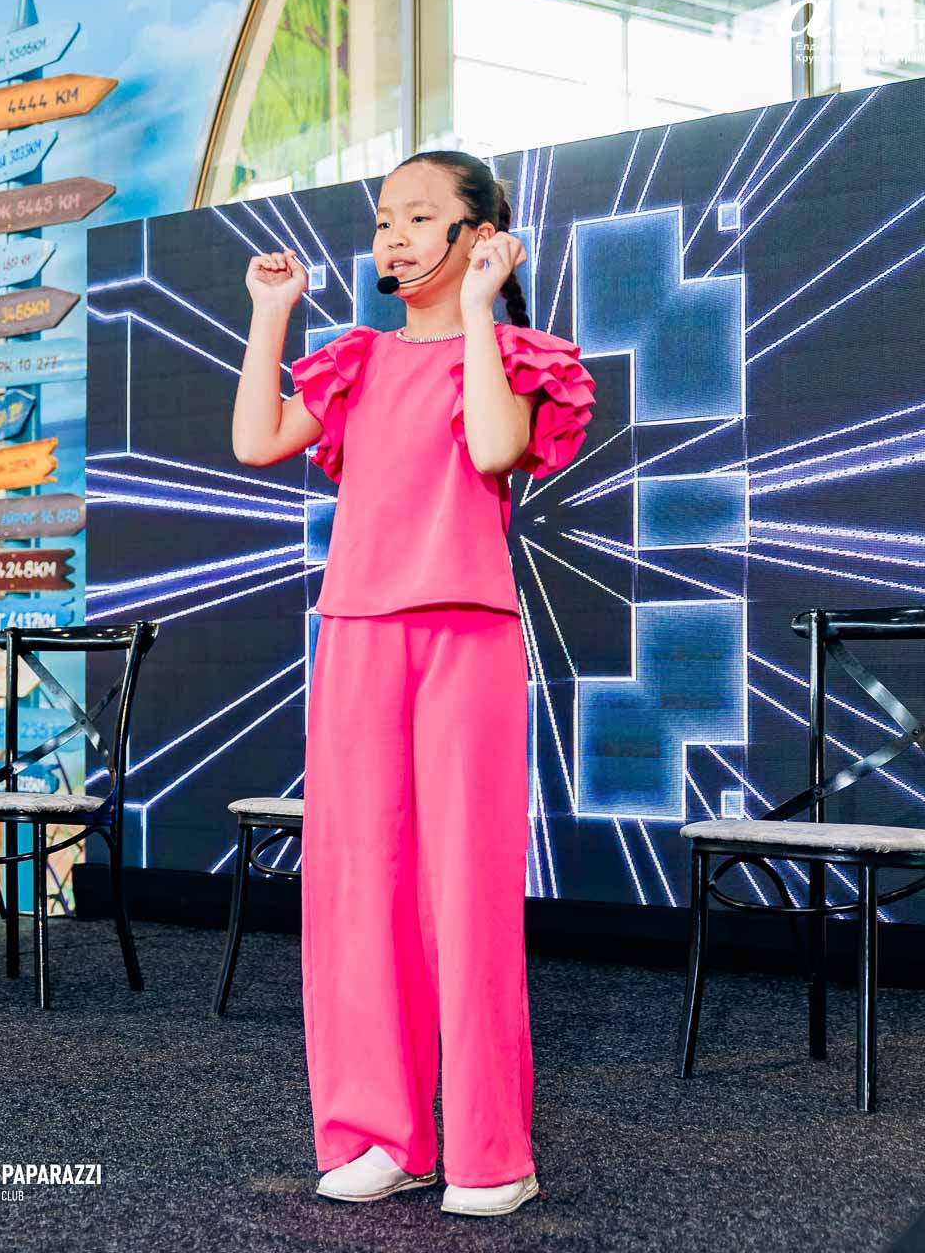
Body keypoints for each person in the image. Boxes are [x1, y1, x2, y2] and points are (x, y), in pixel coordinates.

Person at [231, 151, 596, 1218]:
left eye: (420, 217)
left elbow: (493, 448)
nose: (393, 235)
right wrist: (270, 314)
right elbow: (257, 440)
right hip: (356, 636)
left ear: (480, 235)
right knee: (359, 888)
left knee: (467, 896)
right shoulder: (357, 358)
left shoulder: (513, 354)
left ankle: (492, 1151)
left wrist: (479, 308)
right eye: (386, 217)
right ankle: (381, 1133)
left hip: (465, 635)